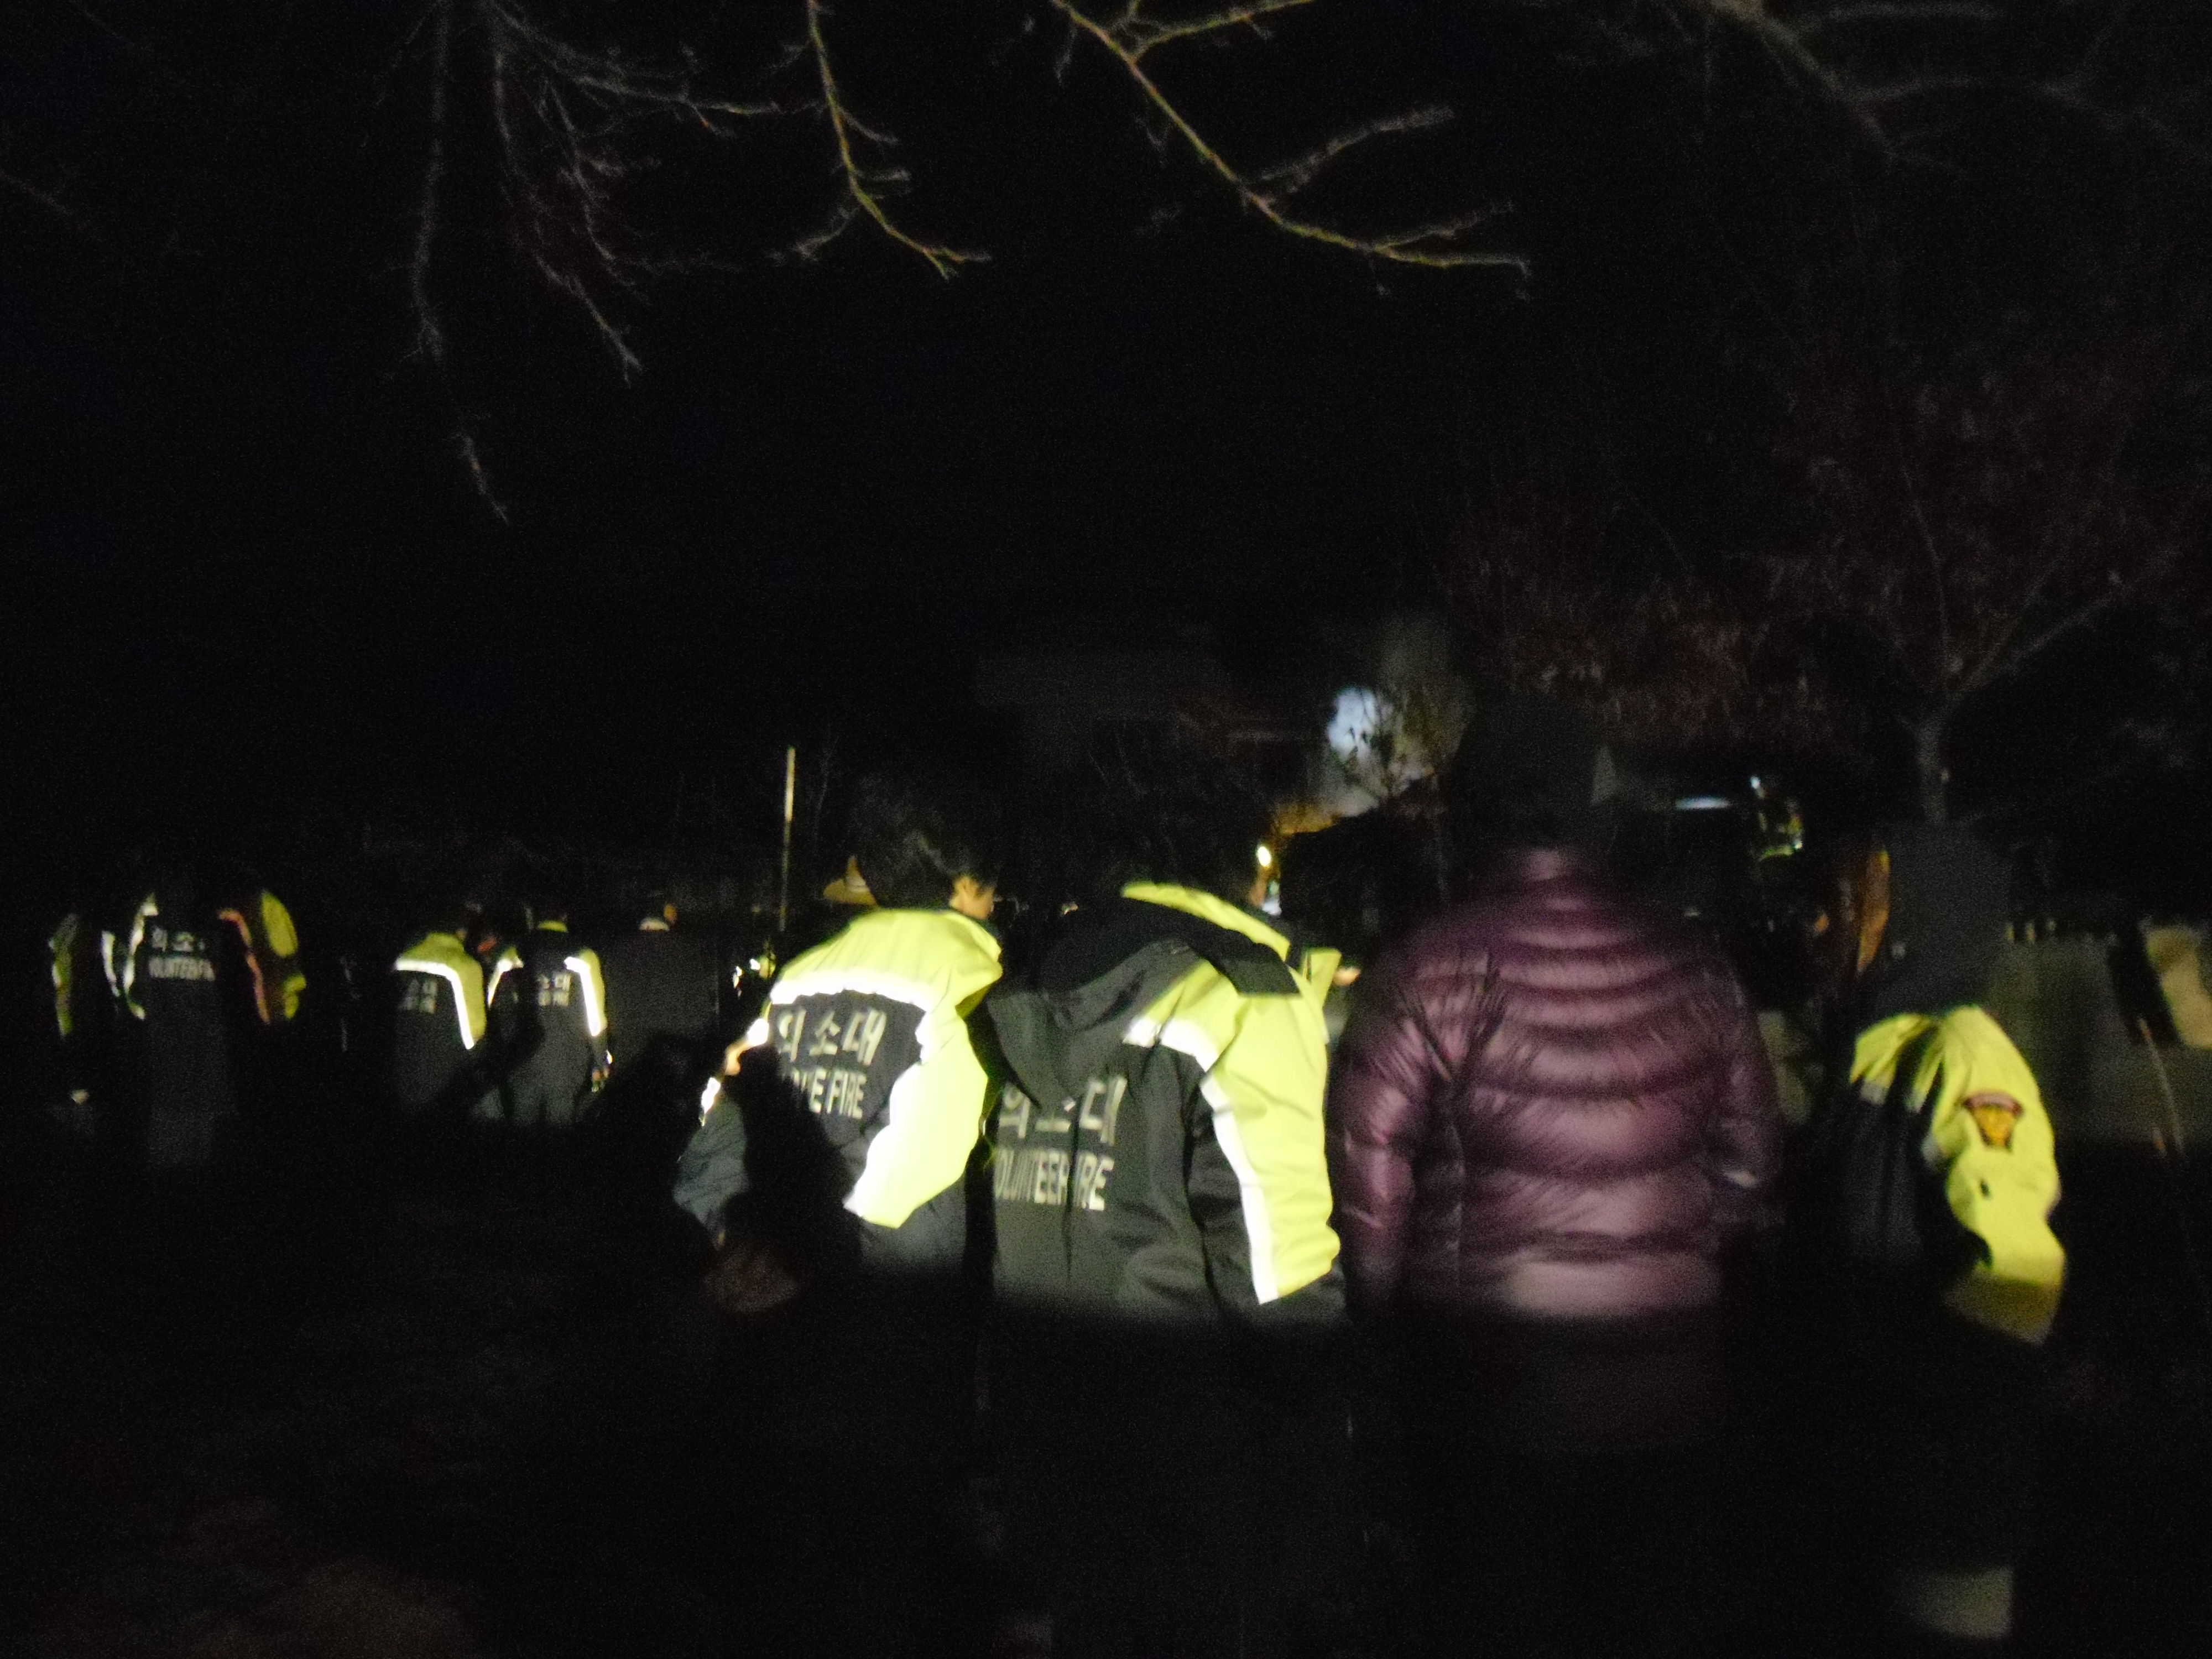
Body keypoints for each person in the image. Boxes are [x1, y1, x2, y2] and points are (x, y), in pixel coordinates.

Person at [1327, 697, 1782, 1658]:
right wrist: (1666, 1257)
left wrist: (1389, 1331)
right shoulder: (1694, 967)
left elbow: (1371, 1193)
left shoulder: (1425, 971)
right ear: (1597, 813)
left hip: (1486, 1393)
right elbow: (1748, 1165)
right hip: (1664, 1386)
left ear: (1479, 812)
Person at [980, 744, 1346, 1658]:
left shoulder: (1031, 986)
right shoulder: (1240, 993)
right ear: (1236, 863)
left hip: (1041, 1425)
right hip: (1193, 1449)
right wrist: (1329, 1410)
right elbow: (1277, 1272)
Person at [670, 774, 1004, 1659]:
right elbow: (931, 1147)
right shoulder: (975, 971)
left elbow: (720, 1113)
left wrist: (747, 1246)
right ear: (964, 882)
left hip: (775, 1305)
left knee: (791, 1538)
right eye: (992, 886)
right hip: (889, 1305)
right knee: (881, 1555)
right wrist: (827, 1244)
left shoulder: (807, 973)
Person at [1799, 823, 2064, 1654]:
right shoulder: (1876, 1050)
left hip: (1941, 1490)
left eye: (1852, 907)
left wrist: (1928, 1417)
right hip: (1878, 1466)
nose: (1823, 925)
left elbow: (2013, 1272)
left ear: (1915, 921)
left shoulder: (1963, 1058)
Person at [485, 900, 610, 1130]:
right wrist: (600, 1058)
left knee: (521, 1120)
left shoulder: (510, 954)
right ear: (565, 918)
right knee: (560, 1124)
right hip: (566, 1058)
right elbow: (594, 1020)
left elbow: (489, 1007)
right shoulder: (583, 956)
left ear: (535, 918)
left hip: (520, 1055)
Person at [600, 893, 721, 1080]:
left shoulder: (616, 952)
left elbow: (606, 1006)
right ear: (668, 914)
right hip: (675, 1058)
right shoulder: (689, 952)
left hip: (629, 1056)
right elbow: (702, 1011)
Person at [390, 908, 490, 1117]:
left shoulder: (403, 959)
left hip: (402, 1066)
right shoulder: (463, 965)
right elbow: (474, 1034)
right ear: (462, 932)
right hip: (443, 1078)